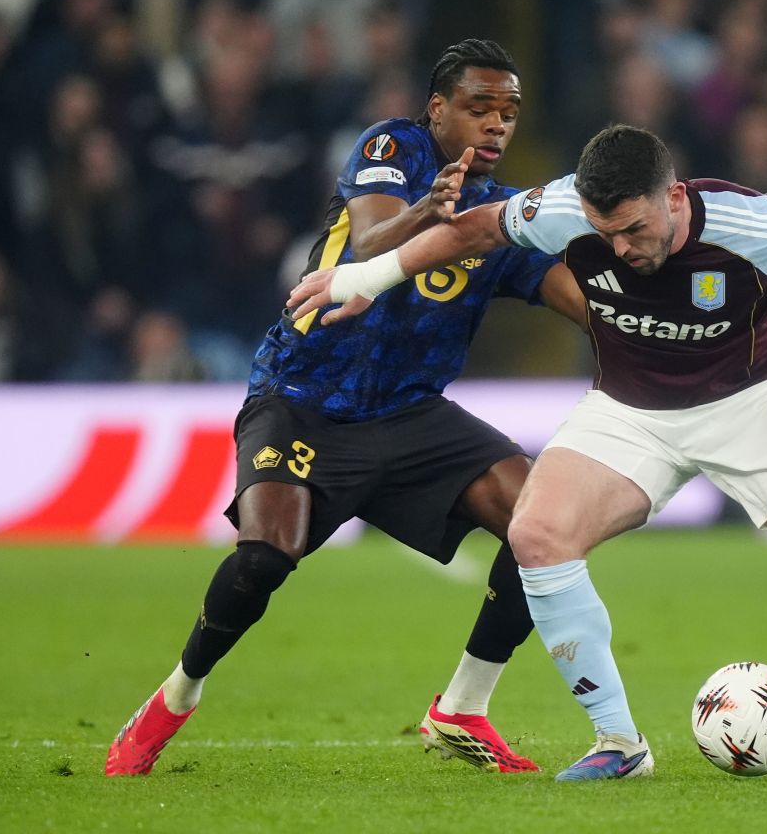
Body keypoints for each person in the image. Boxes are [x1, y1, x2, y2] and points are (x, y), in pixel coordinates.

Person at [288, 124, 767, 780]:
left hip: (751, 403)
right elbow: (470, 230)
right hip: (629, 410)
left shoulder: (761, 227)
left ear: (673, 198)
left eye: (633, 229)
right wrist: (371, 273)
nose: (620, 248)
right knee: (535, 535)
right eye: (604, 233)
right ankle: (619, 743)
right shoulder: (561, 209)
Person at [105, 40, 586, 776]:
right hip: (300, 396)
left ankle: (462, 707)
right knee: (264, 558)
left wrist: (648, 324)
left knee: (543, 532)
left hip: (409, 414)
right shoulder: (392, 146)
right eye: (479, 107)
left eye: (509, 113)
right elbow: (368, 243)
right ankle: (176, 694)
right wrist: (430, 209)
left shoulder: (502, 218)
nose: (496, 125)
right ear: (437, 109)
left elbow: (576, 301)